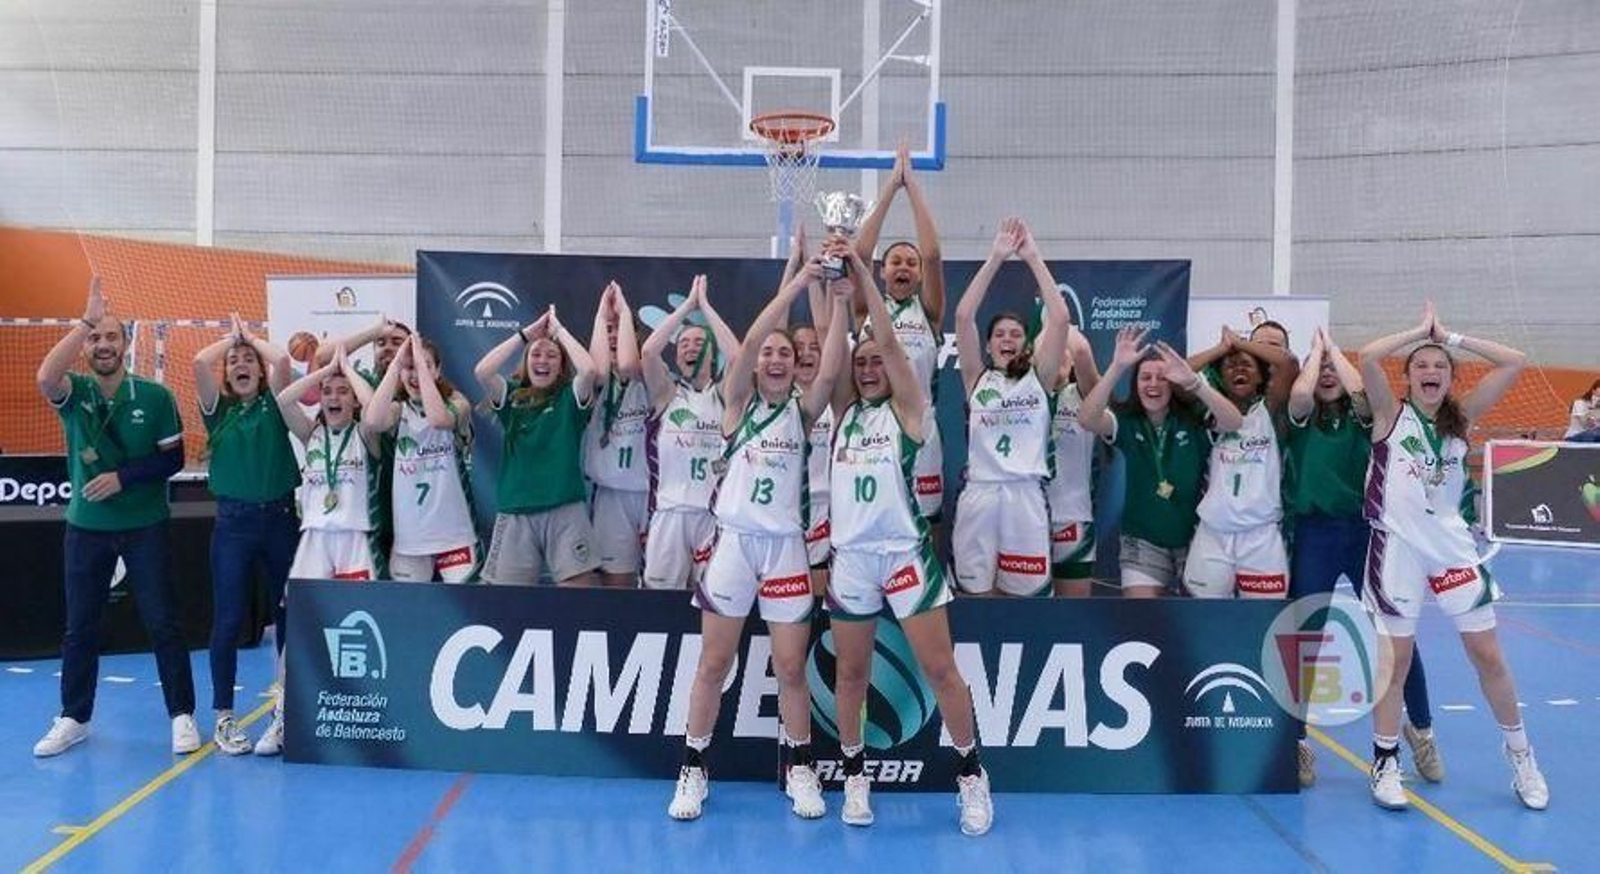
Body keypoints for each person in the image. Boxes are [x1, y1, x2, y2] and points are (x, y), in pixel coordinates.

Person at [668, 247, 849, 822]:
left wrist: (840, 301)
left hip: (786, 551)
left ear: (794, 366)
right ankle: (693, 770)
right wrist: (796, 284)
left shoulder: (804, 409)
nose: (773, 358)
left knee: (792, 669)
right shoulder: (736, 402)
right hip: (734, 546)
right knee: (713, 665)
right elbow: (746, 344)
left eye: (784, 354)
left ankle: (801, 769)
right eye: (768, 351)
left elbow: (832, 368)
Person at [823, 244, 993, 835]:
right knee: (851, 675)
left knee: (940, 668)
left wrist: (864, 274)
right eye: (861, 363)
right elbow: (838, 356)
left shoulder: (910, 409)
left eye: (876, 361)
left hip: (903, 555)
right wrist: (842, 302)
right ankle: (854, 775)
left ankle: (971, 774)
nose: (869, 367)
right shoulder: (844, 409)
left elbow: (894, 348)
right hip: (851, 562)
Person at [1358, 302, 1548, 811]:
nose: (1431, 371)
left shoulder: (1462, 419)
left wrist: (1453, 337)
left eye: (1440, 366)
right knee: (1393, 663)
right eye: (1421, 365)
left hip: (1451, 549)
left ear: (1449, 379)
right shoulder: (1388, 415)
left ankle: (1522, 757)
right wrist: (1418, 333)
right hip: (1397, 547)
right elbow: (1369, 360)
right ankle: (1384, 763)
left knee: (1487, 655)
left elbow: (1513, 362)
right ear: (1409, 376)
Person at [33, 278, 199, 757]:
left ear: (125, 343)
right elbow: (46, 377)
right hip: (86, 528)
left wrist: (123, 478)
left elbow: (173, 459)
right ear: (85, 345)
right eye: (94, 337)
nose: (102, 345)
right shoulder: (75, 390)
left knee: (162, 620)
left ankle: (181, 714)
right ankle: (74, 717)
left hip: (144, 525)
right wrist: (84, 319)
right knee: (79, 626)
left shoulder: (154, 396)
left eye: (110, 336)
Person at [1284, 326, 1442, 787]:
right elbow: (1298, 393)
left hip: (1366, 532)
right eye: (1321, 370)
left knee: (1395, 635)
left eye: (1334, 367)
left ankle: (1423, 729)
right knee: (1304, 637)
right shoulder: (1300, 418)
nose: (1328, 374)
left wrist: (1334, 349)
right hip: (1314, 534)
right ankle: (1296, 742)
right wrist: (1316, 356)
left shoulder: (1366, 418)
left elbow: (1359, 389)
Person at [256, 349, 385, 756]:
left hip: (354, 540)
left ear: (354, 399)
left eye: (342, 392)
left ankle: (363, 718)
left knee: (358, 631)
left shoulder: (366, 434)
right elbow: (281, 399)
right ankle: (283, 718)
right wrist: (326, 372)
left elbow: (377, 410)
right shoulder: (311, 435)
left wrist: (348, 371)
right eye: (327, 391)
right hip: (313, 540)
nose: (333, 397)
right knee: (299, 630)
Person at [192, 314, 298, 754]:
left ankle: (287, 707)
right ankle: (223, 717)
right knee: (229, 619)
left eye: (249, 361)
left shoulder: (276, 401)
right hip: (234, 524)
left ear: (259, 370)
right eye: (233, 361)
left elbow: (286, 362)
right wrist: (230, 340)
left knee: (289, 613)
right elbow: (199, 361)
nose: (240, 364)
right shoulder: (219, 411)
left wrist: (251, 339)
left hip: (279, 520)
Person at [950, 218, 1072, 597]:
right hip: (980, 494)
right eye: (999, 334)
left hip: (1025, 496)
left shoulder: (1040, 377)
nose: (1007, 339)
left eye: (1015, 334)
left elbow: (1061, 318)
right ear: (988, 346)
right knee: (975, 596)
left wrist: (1033, 257)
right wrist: (995, 259)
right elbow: (963, 317)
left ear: (1027, 344)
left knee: (1028, 601)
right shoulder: (976, 377)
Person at [1077, 328, 1245, 597]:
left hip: (1195, 540)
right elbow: (1086, 419)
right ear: (1136, 384)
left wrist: (1194, 383)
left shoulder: (1194, 421)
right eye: (1145, 377)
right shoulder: (1127, 423)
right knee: (1141, 620)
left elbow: (1234, 422)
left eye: (1161, 378)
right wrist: (1117, 367)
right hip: (1142, 541)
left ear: (1173, 384)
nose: (1153, 384)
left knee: (1195, 623)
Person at [473, 302, 602, 586]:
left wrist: (559, 330)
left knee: (580, 593)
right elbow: (482, 371)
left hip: (565, 507)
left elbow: (590, 370)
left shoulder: (570, 397)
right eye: (536, 354)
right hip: (516, 511)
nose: (543, 360)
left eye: (552, 355)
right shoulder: (513, 396)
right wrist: (525, 335)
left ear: (561, 365)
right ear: (526, 360)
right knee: (508, 601)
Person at [853, 142, 947, 521]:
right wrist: (891, 186)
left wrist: (914, 188)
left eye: (911, 262)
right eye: (895, 261)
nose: (903, 267)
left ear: (919, 274)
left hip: (920, 427)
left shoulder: (929, 312)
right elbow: (860, 254)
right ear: (882, 271)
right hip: (872, 429)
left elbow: (934, 254)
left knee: (926, 523)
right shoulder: (865, 312)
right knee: (874, 519)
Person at [638, 275, 740, 589]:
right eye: (684, 343)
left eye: (699, 343)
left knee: (711, 598)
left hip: (713, 514)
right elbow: (648, 353)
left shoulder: (723, 394)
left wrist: (705, 308)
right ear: (677, 355)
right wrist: (686, 308)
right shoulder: (666, 393)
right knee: (658, 600)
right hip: (669, 514)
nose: (691, 348)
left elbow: (737, 356)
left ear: (712, 355)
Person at [1181, 327, 1298, 599]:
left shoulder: (1270, 411)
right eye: (1230, 366)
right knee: (1204, 619)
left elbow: (1289, 364)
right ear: (1221, 377)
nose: (1237, 370)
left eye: (1246, 365)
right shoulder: (1208, 409)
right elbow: (1177, 377)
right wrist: (1221, 349)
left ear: (1261, 377)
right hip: (1213, 534)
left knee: (1263, 623)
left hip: (1262, 536)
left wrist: (1239, 342)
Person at [365, 334, 479, 582]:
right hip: (410, 539)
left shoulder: (457, 403)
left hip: (454, 536)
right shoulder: (399, 410)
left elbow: (439, 421)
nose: (415, 373)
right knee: (410, 614)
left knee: (470, 611)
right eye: (409, 368)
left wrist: (418, 362)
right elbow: (372, 422)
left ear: (437, 371)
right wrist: (396, 365)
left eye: (424, 366)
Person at [778, 226, 838, 595]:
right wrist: (795, 268)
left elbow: (826, 326)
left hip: (823, 508)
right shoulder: (778, 394)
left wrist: (816, 277)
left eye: (812, 345)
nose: (804, 351)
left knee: (817, 602)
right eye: (795, 346)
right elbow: (776, 320)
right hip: (780, 510)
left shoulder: (833, 395)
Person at [581, 284, 651, 586]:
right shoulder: (591, 381)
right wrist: (601, 317)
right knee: (616, 587)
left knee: (663, 586)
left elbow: (627, 363)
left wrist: (623, 313)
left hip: (653, 495)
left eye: (619, 330)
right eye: (607, 331)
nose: (612, 336)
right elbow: (599, 370)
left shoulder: (649, 374)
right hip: (611, 495)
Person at [1046, 320, 1102, 597]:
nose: (1056, 354)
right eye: (1049, 350)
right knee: (1025, 614)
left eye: (1061, 350)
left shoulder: (1083, 396)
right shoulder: (1024, 394)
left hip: (1072, 518)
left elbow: (1081, 352)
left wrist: (1056, 321)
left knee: (1072, 613)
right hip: (1027, 517)